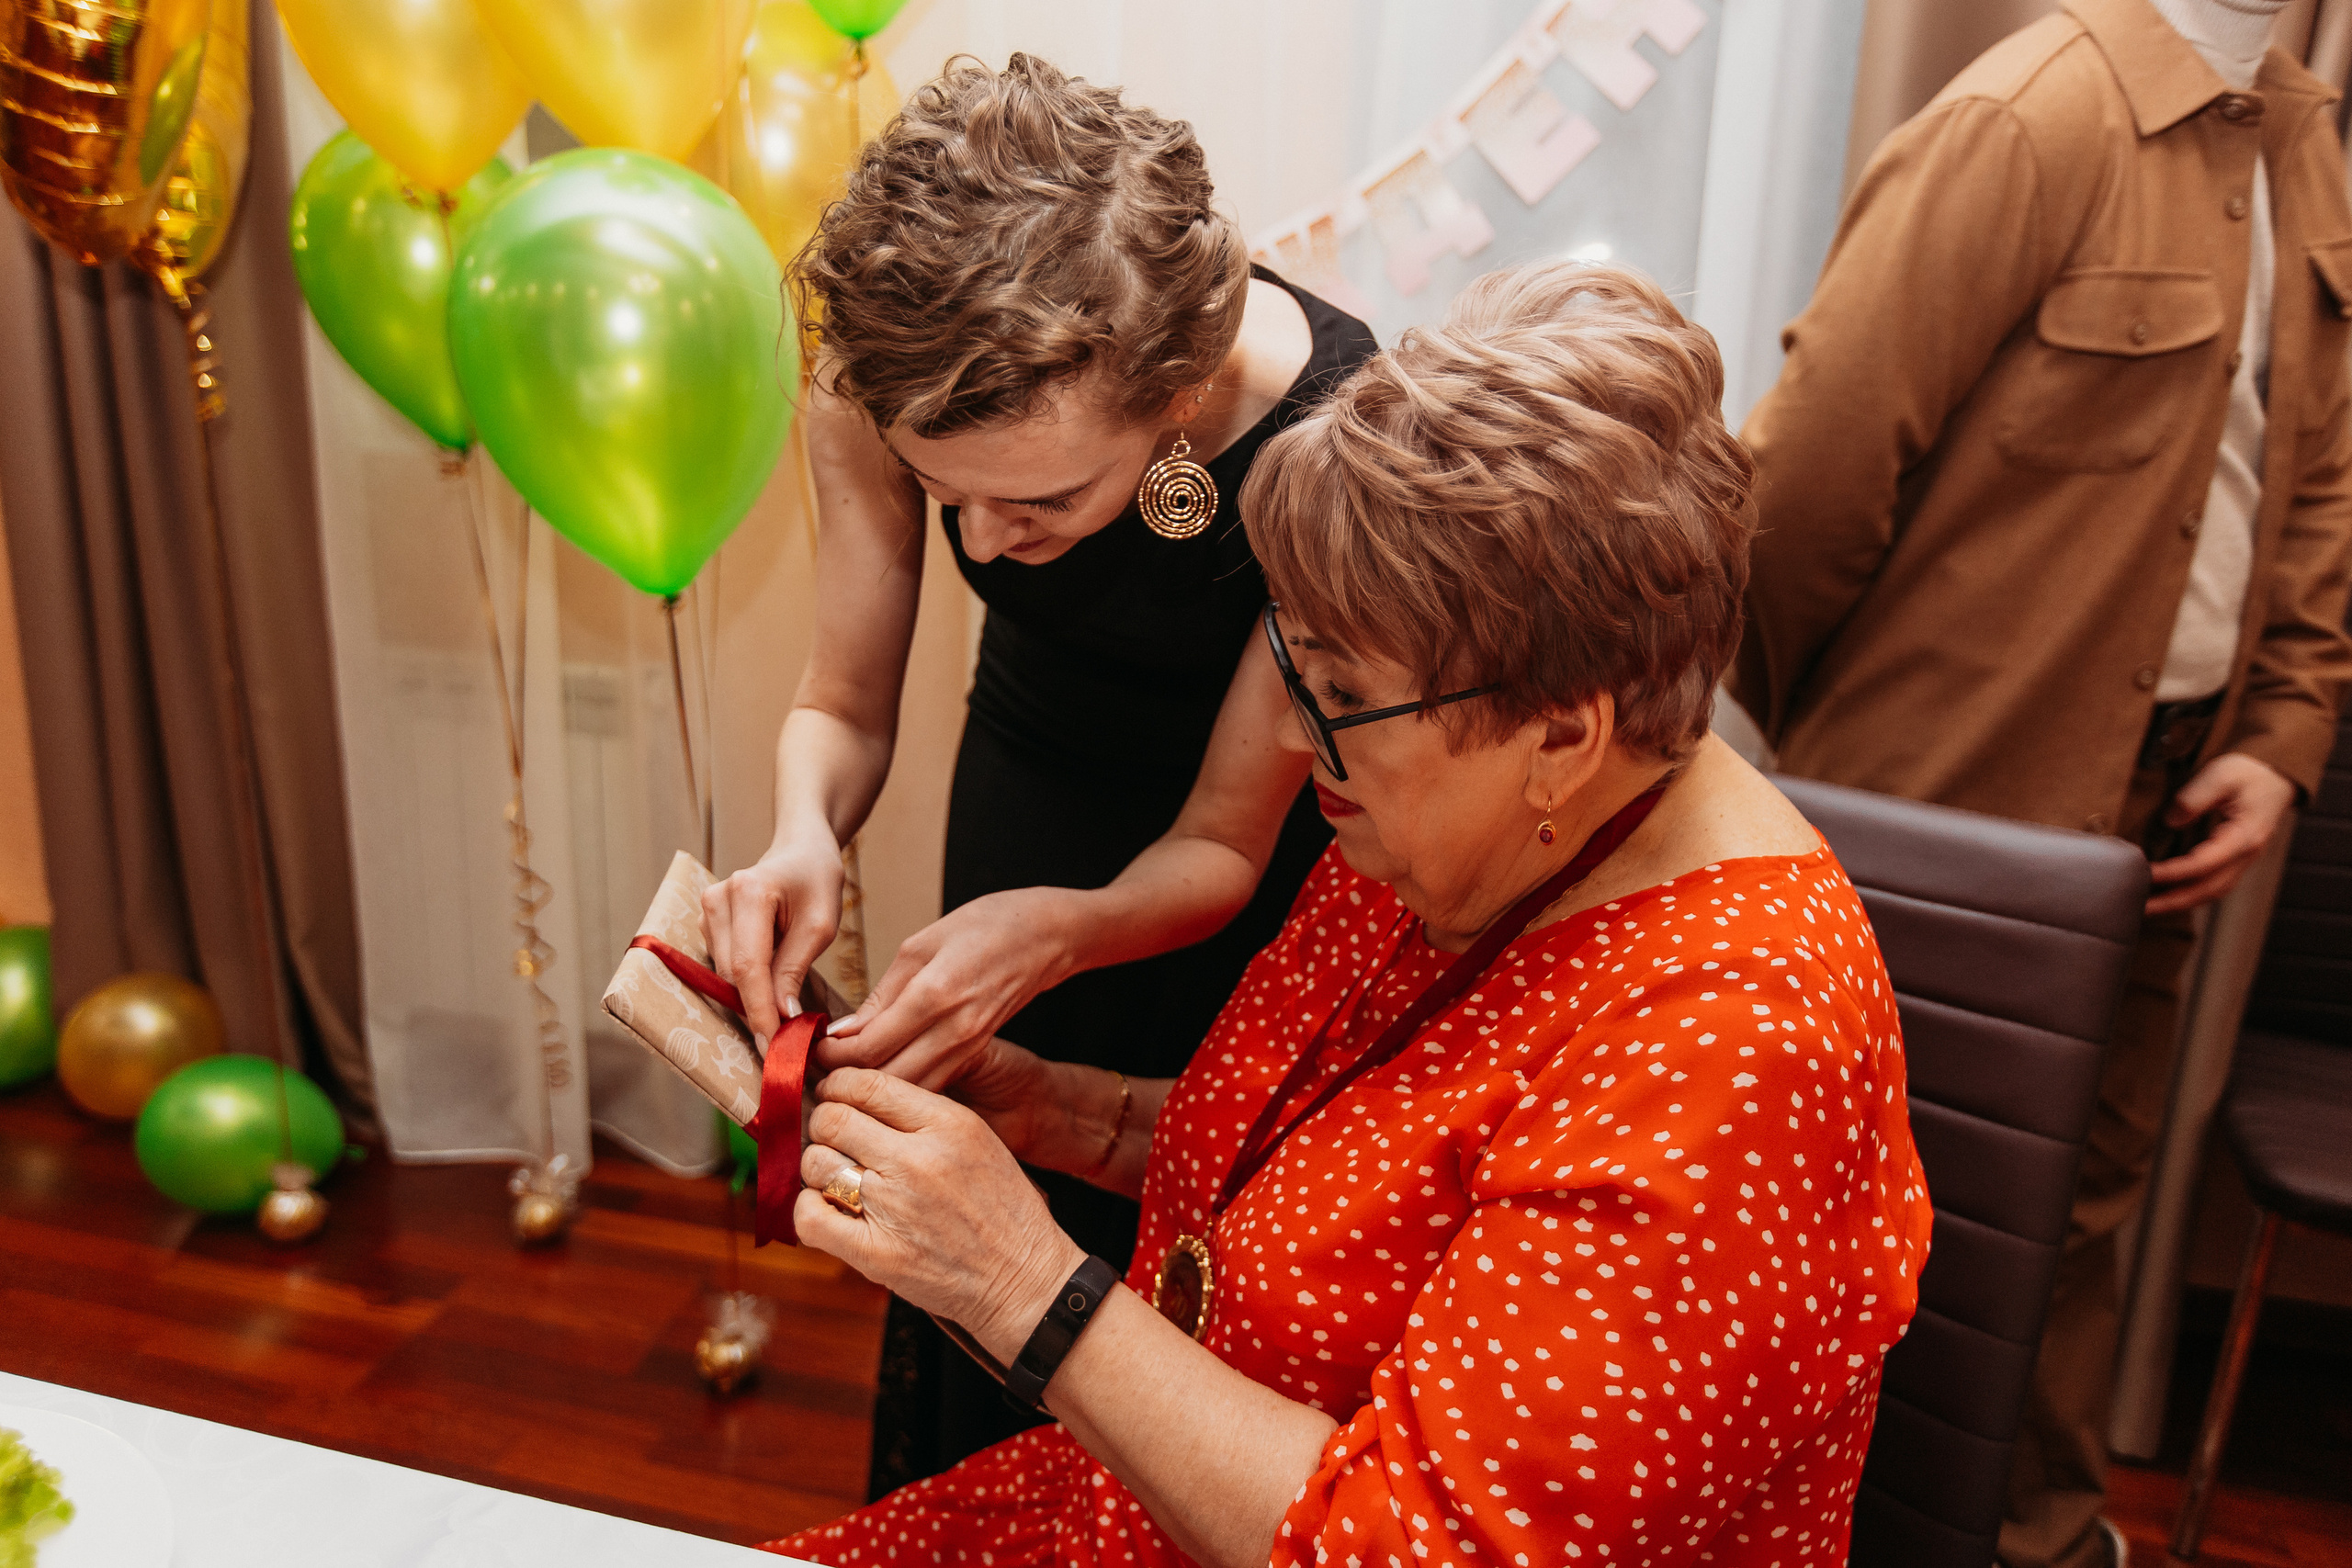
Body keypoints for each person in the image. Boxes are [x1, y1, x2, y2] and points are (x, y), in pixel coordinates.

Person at [757, 261, 1933, 1568]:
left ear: (1559, 730)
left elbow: (1418, 1549)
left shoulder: (1737, 1050)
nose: (1292, 736)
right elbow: (1336, 1178)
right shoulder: (1458, 826)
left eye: (1334, 691)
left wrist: (1024, 1284)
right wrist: (1050, 1110)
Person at [1725, 2, 2352, 1564]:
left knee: (2079, 1209)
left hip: (2170, 806)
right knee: (1879, 1221)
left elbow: (2321, 477)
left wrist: (2283, 740)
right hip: (1942, 817)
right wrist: (1859, 778)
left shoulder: (2302, 138)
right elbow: (1800, 498)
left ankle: (2046, 1538)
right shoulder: (2023, 122)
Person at [698, 56, 1378, 1487]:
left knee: (1174, 1305)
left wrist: (1065, 928)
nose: (988, 548)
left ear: (1178, 390)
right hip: (1022, 800)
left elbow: (1221, 843)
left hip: (1223, 895)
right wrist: (803, 832)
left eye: (1041, 501)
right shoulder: (884, 371)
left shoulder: (1334, 437)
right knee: (981, 1253)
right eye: (950, 499)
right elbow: (841, 695)